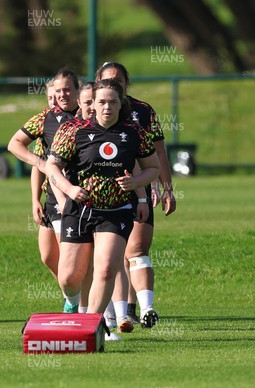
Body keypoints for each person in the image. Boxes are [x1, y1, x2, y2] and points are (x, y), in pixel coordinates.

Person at [46, 79, 160, 335]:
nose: (107, 107)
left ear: (121, 105)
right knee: (69, 277)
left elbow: (154, 168)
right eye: (102, 102)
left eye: (113, 102)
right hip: (79, 209)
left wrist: (135, 183)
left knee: (107, 267)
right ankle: (72, 304)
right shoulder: (74, 129)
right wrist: (70, 189)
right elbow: (51, 166)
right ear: (92, 105)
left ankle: (92, 328)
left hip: (116, 210)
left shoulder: (134, 133)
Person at [96, 61, 177, 328]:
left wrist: (166, 187)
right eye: (108, 79)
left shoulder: (142, 112)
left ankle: (143, 309)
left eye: (119, 79)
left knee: (136, 249)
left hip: (141, 189)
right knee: (111, 257)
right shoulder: (90, 114)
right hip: (102, 197)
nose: (114, 83)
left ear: (126, 83)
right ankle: (117, 313)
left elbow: (158, 153)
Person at [8, 68, 80, 300]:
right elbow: (15, 144)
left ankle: (81, 306)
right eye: (58, 91)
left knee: (71, 257)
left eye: (67, 89)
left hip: (77, 196)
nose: (62, 95)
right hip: (51, 196)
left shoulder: (87, 114)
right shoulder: (46, 118)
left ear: (78, 90)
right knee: (49, 256)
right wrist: (34, 195)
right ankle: (72, 296)